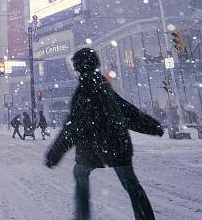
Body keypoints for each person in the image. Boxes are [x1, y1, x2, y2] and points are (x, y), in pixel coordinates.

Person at [45, 48, 164, 220]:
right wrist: (152, 126)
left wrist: (55, 153)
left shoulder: (84, 90)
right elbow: (128, 111)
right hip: (117, 145)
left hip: (95, 147)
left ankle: (82, 216)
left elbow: (73, 127)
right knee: (131, 185)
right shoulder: (103, 85)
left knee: (80, 174)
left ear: (78, 67)